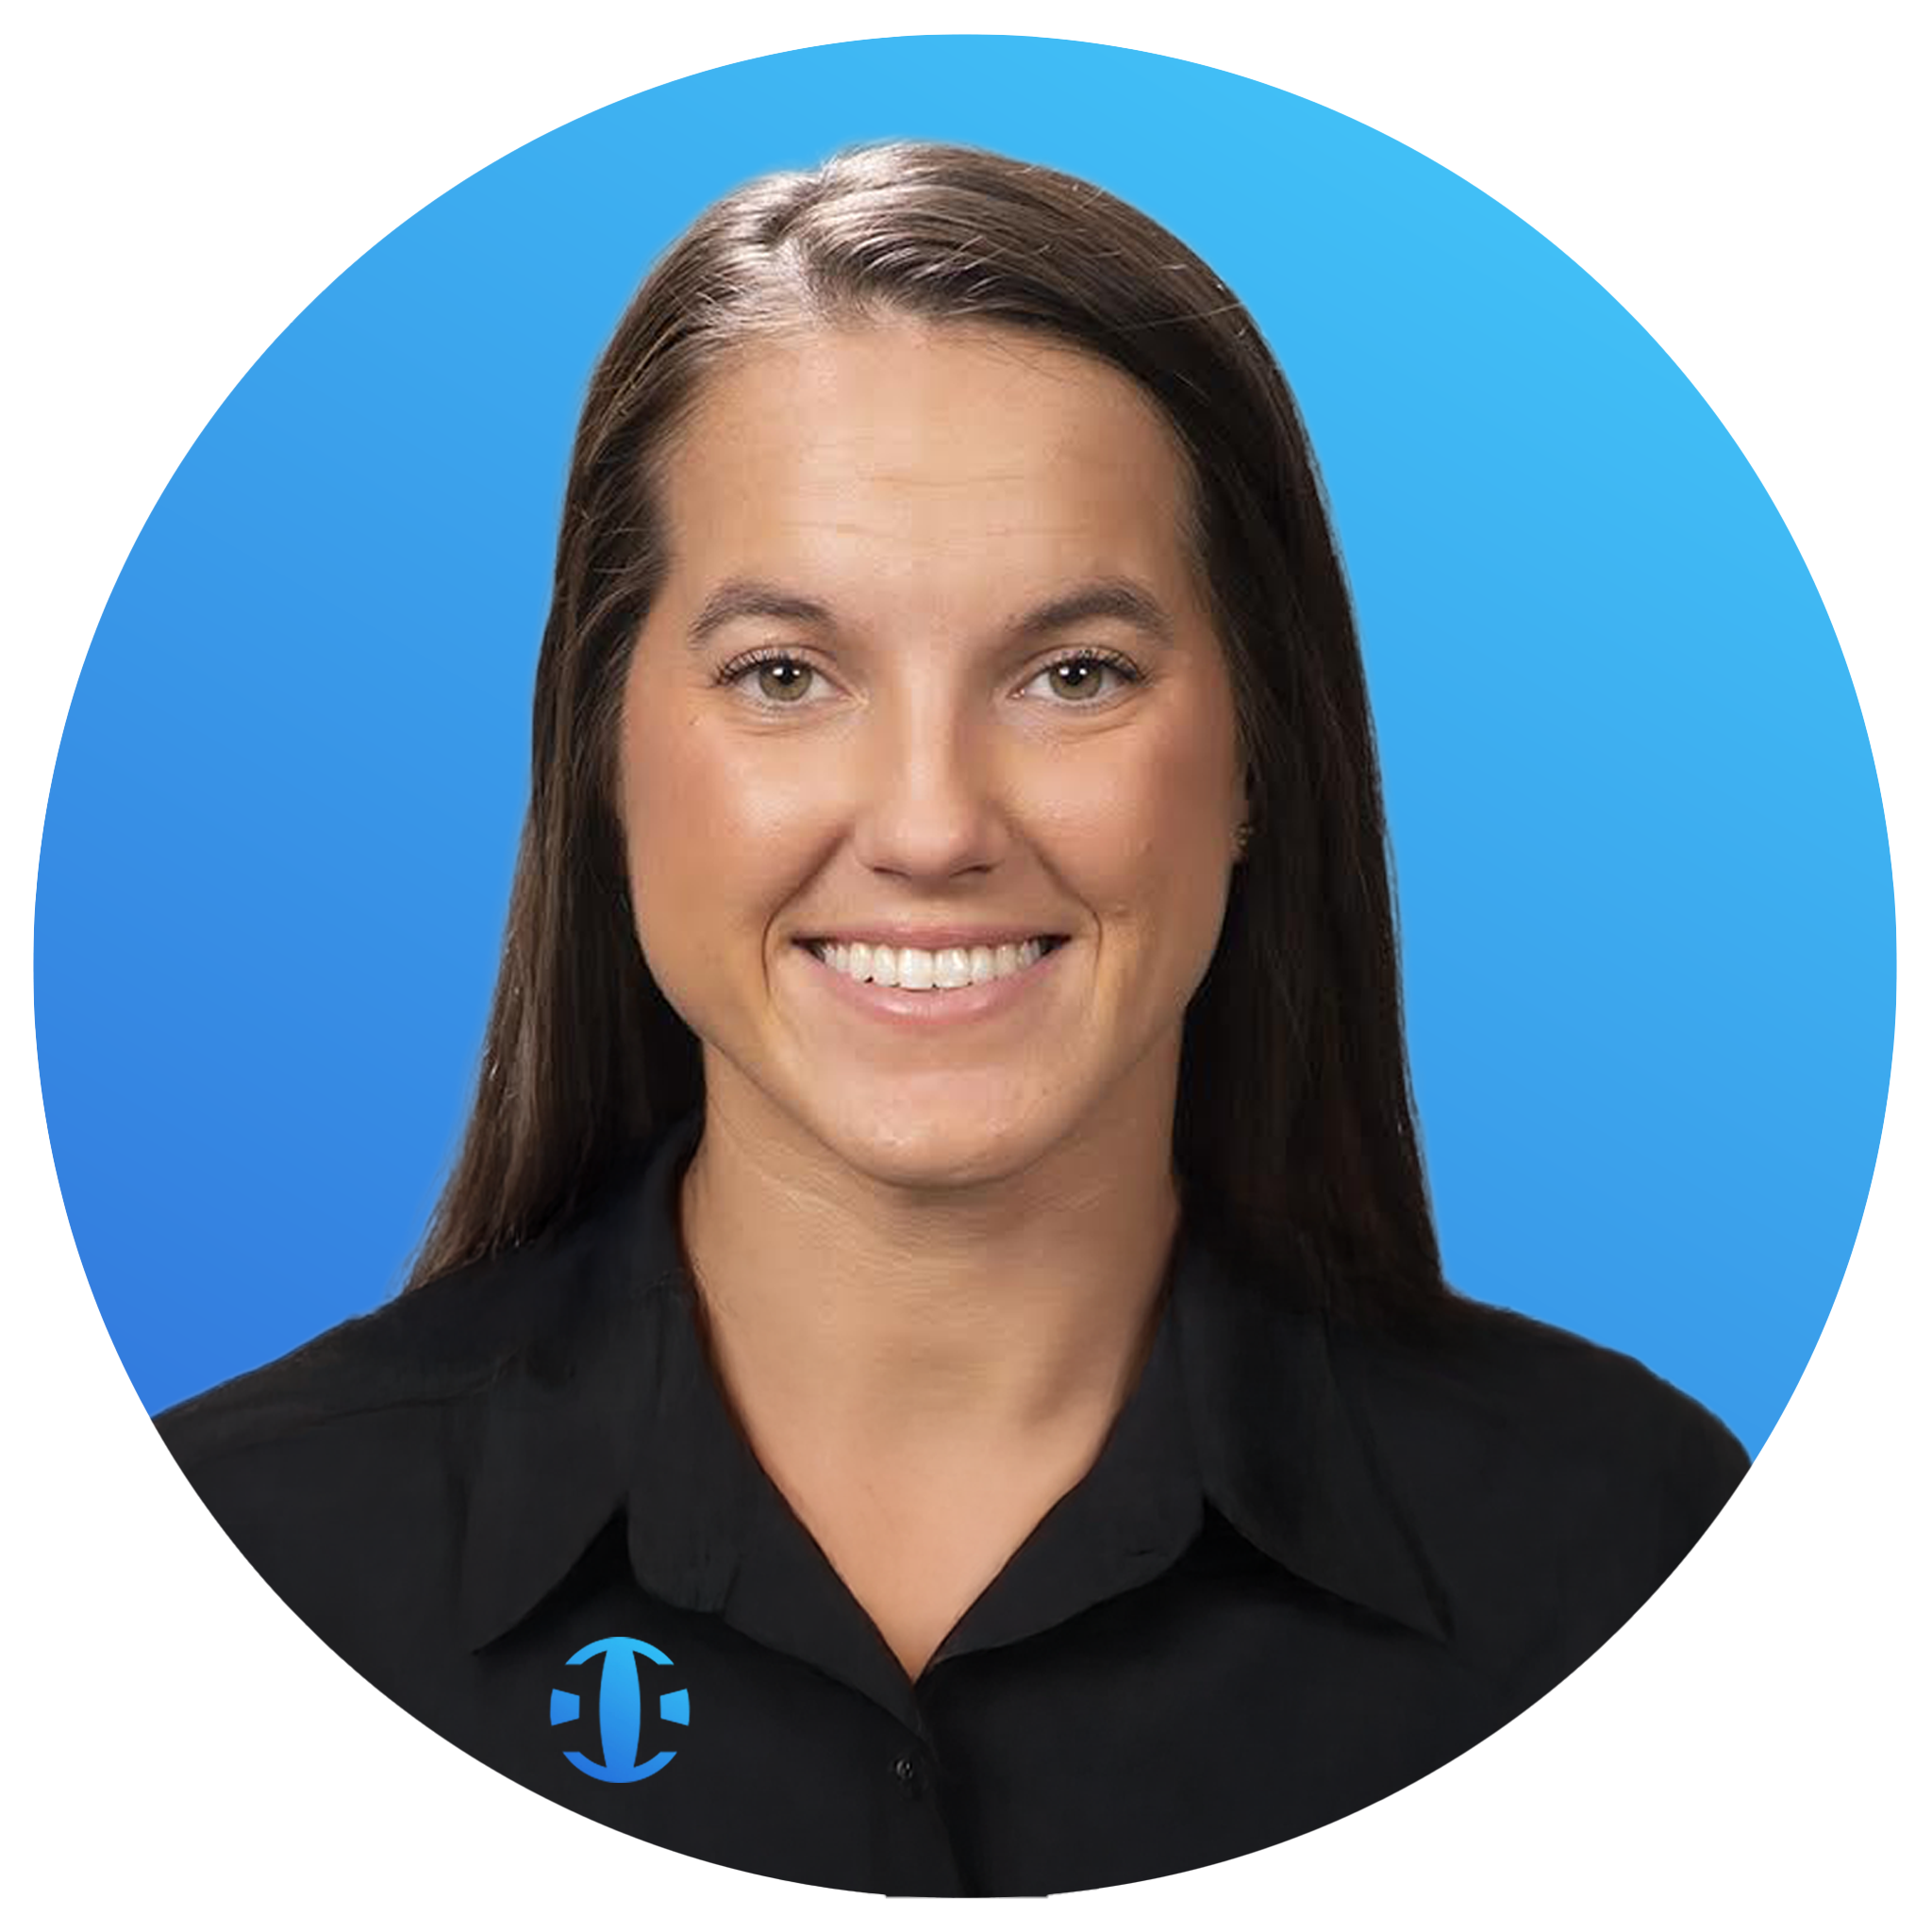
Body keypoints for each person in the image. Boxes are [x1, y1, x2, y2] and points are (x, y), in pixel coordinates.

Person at [150, 140, 1751, 1898]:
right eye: (786, 675)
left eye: (1075, 674)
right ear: (602, 752)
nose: (930, 824)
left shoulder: (1619, 1542)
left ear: (1257, 756)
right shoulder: (253, 1543)